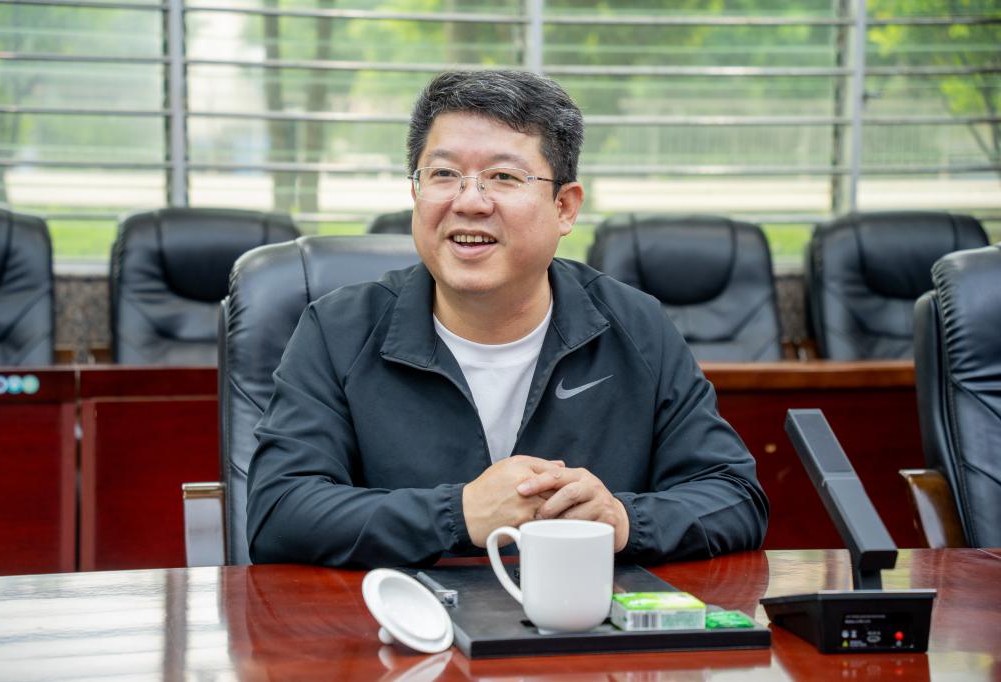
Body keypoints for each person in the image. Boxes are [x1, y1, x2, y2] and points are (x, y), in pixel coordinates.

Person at [247, 70, 768, 568]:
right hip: (401, 619)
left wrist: (624, 520)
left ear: (565, 207)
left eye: (503, 176)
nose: (470, 202)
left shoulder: (635, 324)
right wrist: (459, 514)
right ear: (416, 194)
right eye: (444, 174)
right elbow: (279, 513)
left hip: (580, 619)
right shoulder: (338, 329)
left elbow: (734, 496)